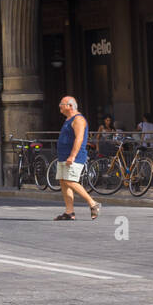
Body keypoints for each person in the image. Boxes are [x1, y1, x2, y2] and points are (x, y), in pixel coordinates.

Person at [55, 94, 100, 222]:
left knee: (70, 181)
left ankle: (93, 203)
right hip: (64, 156)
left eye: (61, 104)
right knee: (64, 182)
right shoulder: (69, 119)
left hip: (74, 156)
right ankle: (69, 212)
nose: (59, 106)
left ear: (70, 106)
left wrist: (73, 155)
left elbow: (79, 139)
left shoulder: (78, 119)